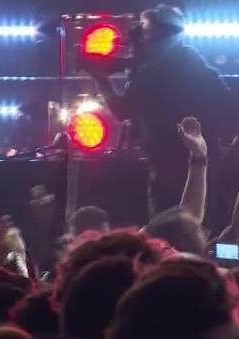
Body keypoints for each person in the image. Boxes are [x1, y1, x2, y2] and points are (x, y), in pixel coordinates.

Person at [89, 4, 231, 216]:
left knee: (167, 228)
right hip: (203, 158)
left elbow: (121, 109)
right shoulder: (192, 60)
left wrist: (100, 79)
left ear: (157, 35)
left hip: (166, 163)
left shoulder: (152, 70)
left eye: (145, 32)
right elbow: (223, 98)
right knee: (204, 226)